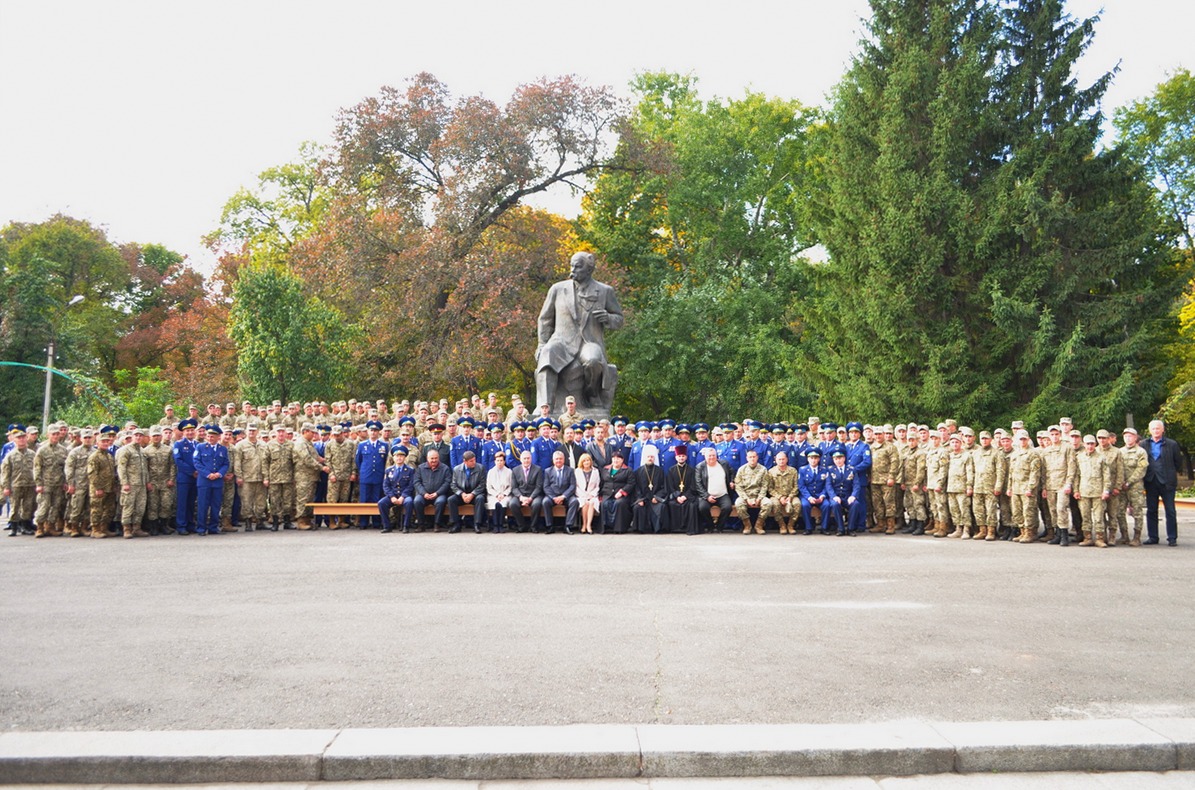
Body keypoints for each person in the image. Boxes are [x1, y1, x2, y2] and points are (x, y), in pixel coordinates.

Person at [535, 251, 625, 416]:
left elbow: (619, 319)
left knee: (593, 360)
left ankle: (592, 394)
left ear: (589, 270)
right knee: (547, 354)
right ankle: (545, 407)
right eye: (572, 265)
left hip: (589, 342)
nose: (573, 270)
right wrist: (542, 344)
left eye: (578, 267)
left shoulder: (605, 291)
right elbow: (545, 319)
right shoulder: (557, 289)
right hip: (561, 342)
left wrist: (608, 317)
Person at [1142, 419, 1183, 546]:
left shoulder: (1171, 444)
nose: (1156, 431)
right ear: (1150, 431)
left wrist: (1170, 473)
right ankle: (1153, 537)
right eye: (1153, 428)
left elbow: (1178, 462)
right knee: (1151, 510)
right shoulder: (1144, 444)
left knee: (1170, 510)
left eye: (1158, 428)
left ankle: (1172, 538)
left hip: (1167, 482)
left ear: (1163, 430)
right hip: (1151, 481)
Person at [193, 425, 229, 535]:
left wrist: (219, 473)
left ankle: (213, 527)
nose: (210, 438)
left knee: (216, 505)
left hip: (217, 481)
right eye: (208, 436)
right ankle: (201, 528)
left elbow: (226, 463)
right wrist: (208, 474)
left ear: (218, 437)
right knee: (203, 505)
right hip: (204, 481)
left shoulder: (222, 449)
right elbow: (197, 462)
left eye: (212, 436)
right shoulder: (200, 447)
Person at [694, 446, 734, 533]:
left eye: (713, 455)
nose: (712, 457)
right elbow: (698, 484)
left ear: (716, 456)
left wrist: (731, 481)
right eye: (709, 456)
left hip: (722, 494)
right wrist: (707, 496)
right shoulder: (700, 467)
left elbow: (731, 472)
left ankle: (720, 526)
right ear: (705, 456)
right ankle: (710, 526)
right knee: (702, 508)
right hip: (707, 495)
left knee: (728, 508)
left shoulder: (724, 464)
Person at [379, 444, 415, 533]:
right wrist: (392, 497)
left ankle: (406, 526)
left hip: (405, 495)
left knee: (409, 502)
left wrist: (403, 497)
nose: (399, 458)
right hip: (393, 495)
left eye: (401, 456)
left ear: (405, 457)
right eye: (397, 456)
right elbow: (386, 485)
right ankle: (387, 526)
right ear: (393, 458)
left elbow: (411, 485)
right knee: (381, 503)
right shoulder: (389, 470)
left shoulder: (410, 470)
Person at [448, 450, 486, 533]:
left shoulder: (480, 468)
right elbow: (453, 485)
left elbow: (482, 485)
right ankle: (456, 524)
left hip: (475, 494)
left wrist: (472, 494)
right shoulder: (457, 469)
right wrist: (462, 494)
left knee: (480, 498)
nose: (474, 463)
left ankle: (477, 524)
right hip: (462, 494)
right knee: (451, 499)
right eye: (471, 461)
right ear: (465, 461)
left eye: (474, 460)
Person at [413, 449, 451, 531]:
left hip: (439, 495)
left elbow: (447, 483)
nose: (434, 460)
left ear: (439, 458)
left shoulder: (445, 468)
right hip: (423, 495)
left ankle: (437, 524)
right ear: (427, 458)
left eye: (436, 458)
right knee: (417, 501)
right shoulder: (420, 468)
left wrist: (437, 493)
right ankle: (421, 524)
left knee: (440, 502)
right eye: (432, 458)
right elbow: (417, 482)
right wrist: (424, 493)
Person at [734, 449, 771, 535]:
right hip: (746, 495)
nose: (752, 459)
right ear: (747, 458)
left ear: (757, 457)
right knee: (738, 503)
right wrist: (746, 499)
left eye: (754, 457)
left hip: (759, 495)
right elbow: (738, 487)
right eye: (750, 457)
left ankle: (759, 525)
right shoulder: (741, 470)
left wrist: (759, 498)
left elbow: (765, 486)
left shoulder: (763, 469)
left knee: (768, 503)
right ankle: (747, 525)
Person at [541, 450, 578, 534]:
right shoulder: (547, 471)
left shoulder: (570, 470)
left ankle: (568, 526)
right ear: (553, 460)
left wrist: (563, 496)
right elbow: (546, 486)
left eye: (560, 459)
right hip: (552, 496)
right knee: (545, 502)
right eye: (556, 459)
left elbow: (572, 485)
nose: (558, 461)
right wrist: (554, 497)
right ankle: (550, 526)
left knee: (575, 502)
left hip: (566, 496)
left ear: (564, 460)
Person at [632, 444, 666, 534]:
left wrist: (657, 497)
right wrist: (640, 499)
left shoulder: (660, 471)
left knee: (661, 506)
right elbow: (636, 488)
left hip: (655, 498)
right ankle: (640, 529)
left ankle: (658, 529)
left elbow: (663, 487)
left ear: (654, 458)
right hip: (643, 498)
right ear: (644, 457)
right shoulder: (638, 472)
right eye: (648, 457)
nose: (650, 458)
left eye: (652, 457)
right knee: (637, 507)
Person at [508, 450, 544, 533]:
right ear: (521, 460)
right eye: (524, 458)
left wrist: (530, 498)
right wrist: (521, 497)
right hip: (520, 495)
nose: (526, 460)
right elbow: (514, 487)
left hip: (534, 495)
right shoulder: (515, 470)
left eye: (528, 458)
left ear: (531, 459)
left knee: (537, 504)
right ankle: (522, 526)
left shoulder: (537, 469)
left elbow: (539, 487)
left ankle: (533, 526)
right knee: (512, 504)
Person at [600, 452, 635, 534]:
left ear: (622, 460)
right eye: (614, 458)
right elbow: (601, 483)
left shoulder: (628, 470)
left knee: (619, 504)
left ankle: (619, 528)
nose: (616, 460)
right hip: (607, 494)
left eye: (618, 458)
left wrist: (622, 492)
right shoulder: (605, 469)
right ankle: (605, 527)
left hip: (621, 495)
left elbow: (631, 483)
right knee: (604, 504)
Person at [485, 450, 513, 533]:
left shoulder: (509, 472)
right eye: (497, 460)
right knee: (495, 503)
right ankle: (495, 525)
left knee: (503, 503)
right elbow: (489, 487)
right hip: (493, 495)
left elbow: (511, 486)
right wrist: (497, 494)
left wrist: (504, 494)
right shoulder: (491, 472)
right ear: (494, 461)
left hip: (505, 494)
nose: (499, 462)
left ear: (504, 461)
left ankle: (501, 525)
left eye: (501, 460)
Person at [574, 452, 601, 533]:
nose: (586, 462)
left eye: (588, 460)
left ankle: (589, 525)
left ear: (590, 461)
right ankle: (584, 525)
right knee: (585, 503)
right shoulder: (577, 471)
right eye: (584, 461)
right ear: (581, 462)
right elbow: (575, 486)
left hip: (592, 495)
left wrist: (592, 494)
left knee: (592, 502)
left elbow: (597, 485)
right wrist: (583, 495)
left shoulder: (596, 471)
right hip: (581, 495)